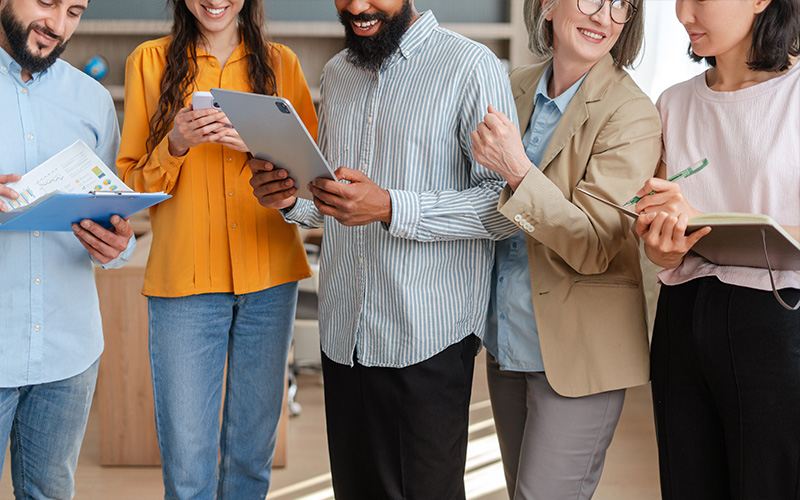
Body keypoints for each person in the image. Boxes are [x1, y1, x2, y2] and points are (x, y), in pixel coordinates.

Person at [248, 0, 518, 497]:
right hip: (345, 335)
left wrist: (392, 207)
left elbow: (502, 207)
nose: (355, 5)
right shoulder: (337, 73)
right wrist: (288, 200)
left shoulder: (470, 66)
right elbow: (325, 196)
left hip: (426, 338)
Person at [116, 0, 316, 497]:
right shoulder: (149, 62)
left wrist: (259, 149)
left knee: (251, 458)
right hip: (184, 282)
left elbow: (310, 175)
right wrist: (177, 143)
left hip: (270, 278)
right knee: (187, 466)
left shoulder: (282, 63)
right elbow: (128, 185)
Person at [469, 0, 661, 497]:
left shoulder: (632, 113)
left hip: (579, 355)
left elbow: (596, 243)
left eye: (622, 5)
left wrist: (517, 170)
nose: (604, 15)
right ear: (548, 5)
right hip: (506, 342)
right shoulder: (512, 86)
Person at [633, 0, 800, 497]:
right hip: (682, 320)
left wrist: (710, 221)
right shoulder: (672, 102)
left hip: (777, 320)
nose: (684, 13)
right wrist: (662, 248)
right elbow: (661, 249)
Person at [0, 0, 136, 497]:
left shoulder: (93, 100)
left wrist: (118, 245)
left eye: (74, 11)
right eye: (47, 3)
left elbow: (111, 219)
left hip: (68, 355)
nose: (58, 26)